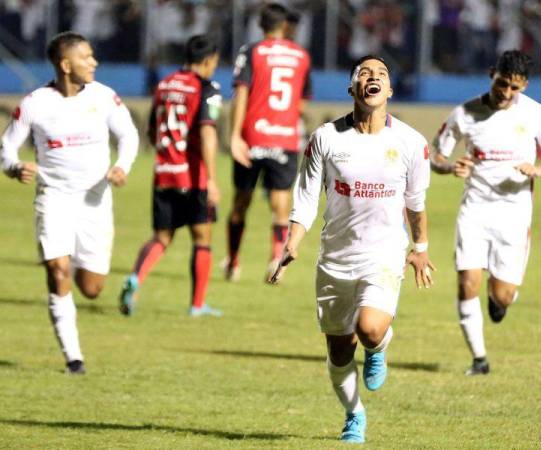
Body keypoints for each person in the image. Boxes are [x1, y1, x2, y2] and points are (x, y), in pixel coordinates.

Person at [270, 55, 435, 444]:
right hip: (335, 258)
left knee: (370, 327)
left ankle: (379, 346)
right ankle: (354, 414)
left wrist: (421, 248)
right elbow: (307, 197)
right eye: (364, 73)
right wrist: (292, 243)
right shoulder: (327, 138)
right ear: (352, 88)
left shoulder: (410, 142)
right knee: (340, 352)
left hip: (384, 253)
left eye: (381, 74)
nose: (372, 77)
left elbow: (415, 203)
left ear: (390, 90)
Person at [0, 31, 139, 374]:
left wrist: (122, 166)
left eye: (92, 56)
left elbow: (128, 135)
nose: (94, 62)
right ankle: (74, 358)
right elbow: (6, 147)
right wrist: (15, 167)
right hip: (54, 197)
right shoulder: (35, 103)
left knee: (92, 289)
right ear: (65, 65)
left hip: (95, 201)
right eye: (85, 57)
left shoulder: (104, 96)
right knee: (57, 270)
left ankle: (72, 258)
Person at [430, 50, 541, 375]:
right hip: (474, 210)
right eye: (502, 84)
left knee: (502, 295)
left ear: (525, 86)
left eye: (514, 88)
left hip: (514, 215)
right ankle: (479, 360)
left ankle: (500, 300)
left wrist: (538, 171)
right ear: (492, 74)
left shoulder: (536, 114)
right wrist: (451, 167)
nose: (506, 93)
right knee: (467, 283)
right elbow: (434, 155)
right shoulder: (465, 113)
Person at [118, 34, 223, 317]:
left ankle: (135, 278)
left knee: (161, 237)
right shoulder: (207, 88)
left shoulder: (164, 85)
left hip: (164, 173)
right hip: (193, 176)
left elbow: (152, 130)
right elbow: (207, 131)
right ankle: (197, 305)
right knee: (202, 239)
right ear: (207, 60)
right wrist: (212, 179)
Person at [224, 2, 312, 282]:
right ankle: (276, 261)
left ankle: (233, 263)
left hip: (253, 136)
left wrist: (235, 135)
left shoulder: (251, 52)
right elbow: (300, 102)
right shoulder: (301, 55)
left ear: (261, 25)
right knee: (280, 204)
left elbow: (241, 94)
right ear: (285, 26)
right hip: (285, 139)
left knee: (241, 202)